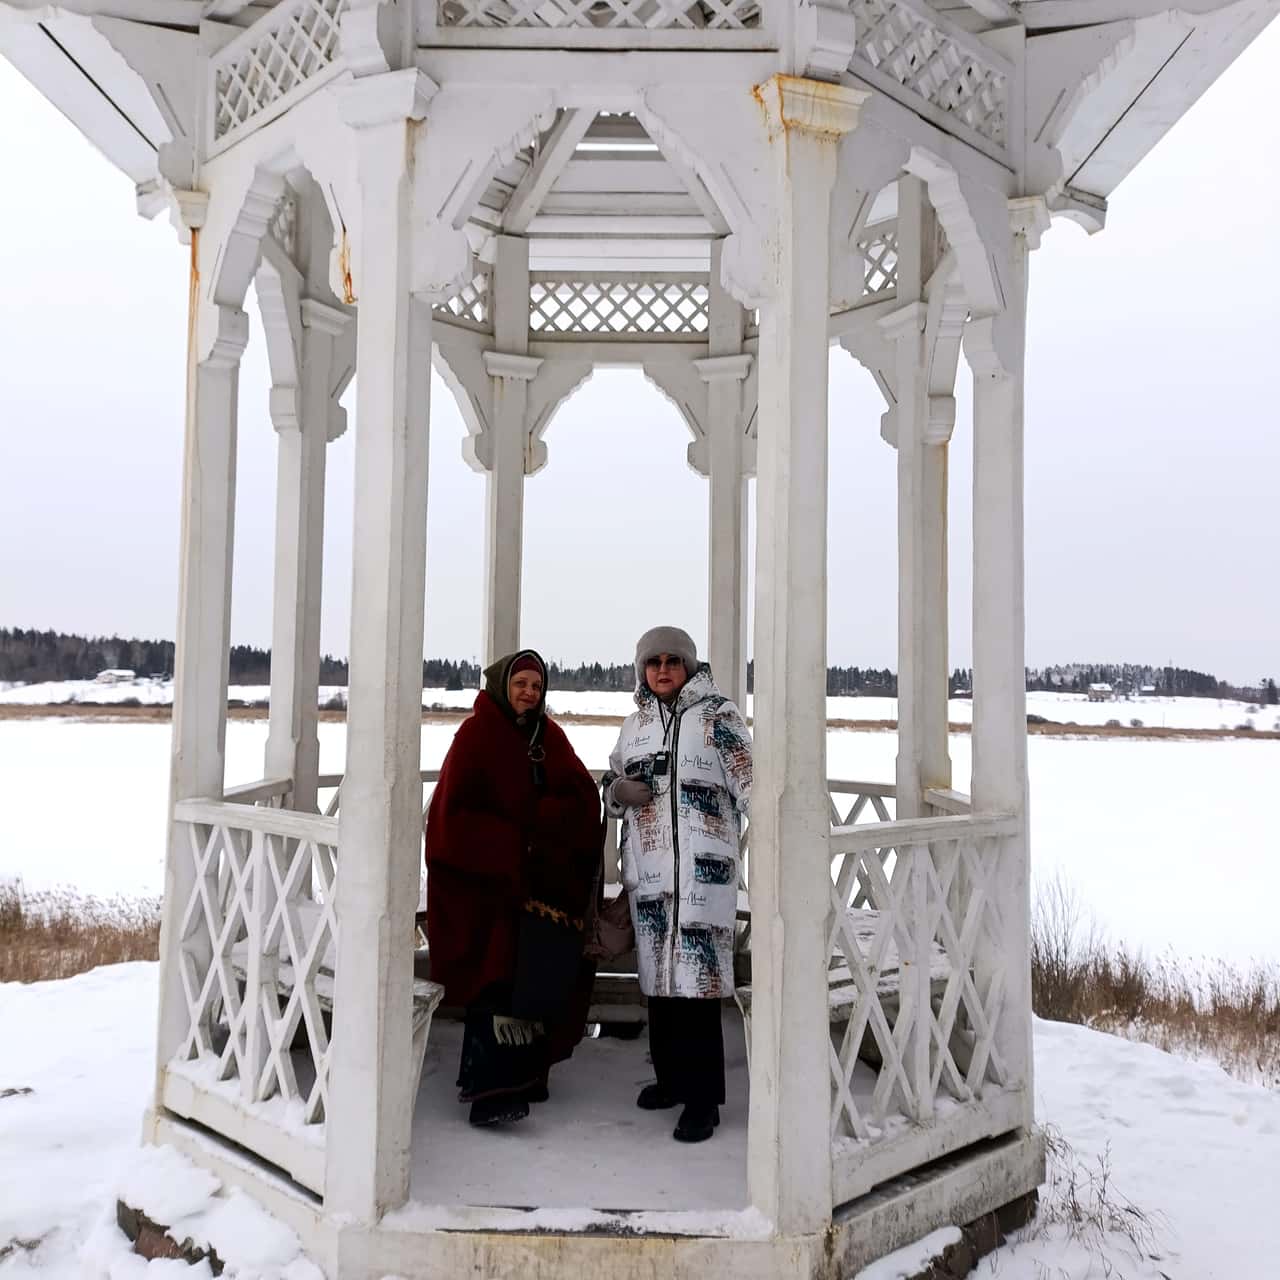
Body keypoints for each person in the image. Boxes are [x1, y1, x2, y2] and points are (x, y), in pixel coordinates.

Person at [424, 650, 602, 1127]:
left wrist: (546, 827)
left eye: (537, 686)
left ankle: (528, 1077)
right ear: (502, 684)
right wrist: (513, 842)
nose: (529, 692)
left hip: (538, 888)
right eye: (521, 683)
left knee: (537, 976)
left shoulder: (549, 737)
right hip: (484, 889)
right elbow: (450, 818)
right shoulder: (476, 735)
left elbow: (583, 797)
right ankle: (489, 1091)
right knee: (497, 979)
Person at [603, 626, 752, 1143]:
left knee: (698, 987)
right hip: (650, 876)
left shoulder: (719, 717)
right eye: (653, 662)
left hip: (702, 877)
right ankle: (669, 1081)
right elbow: (611, 783)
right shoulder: (636, 724)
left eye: (673, 660)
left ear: (690, 665)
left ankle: (703, 1100)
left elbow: (751, 783)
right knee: (661, 988)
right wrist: (619, 791)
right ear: (642, 669)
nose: (663, 669)